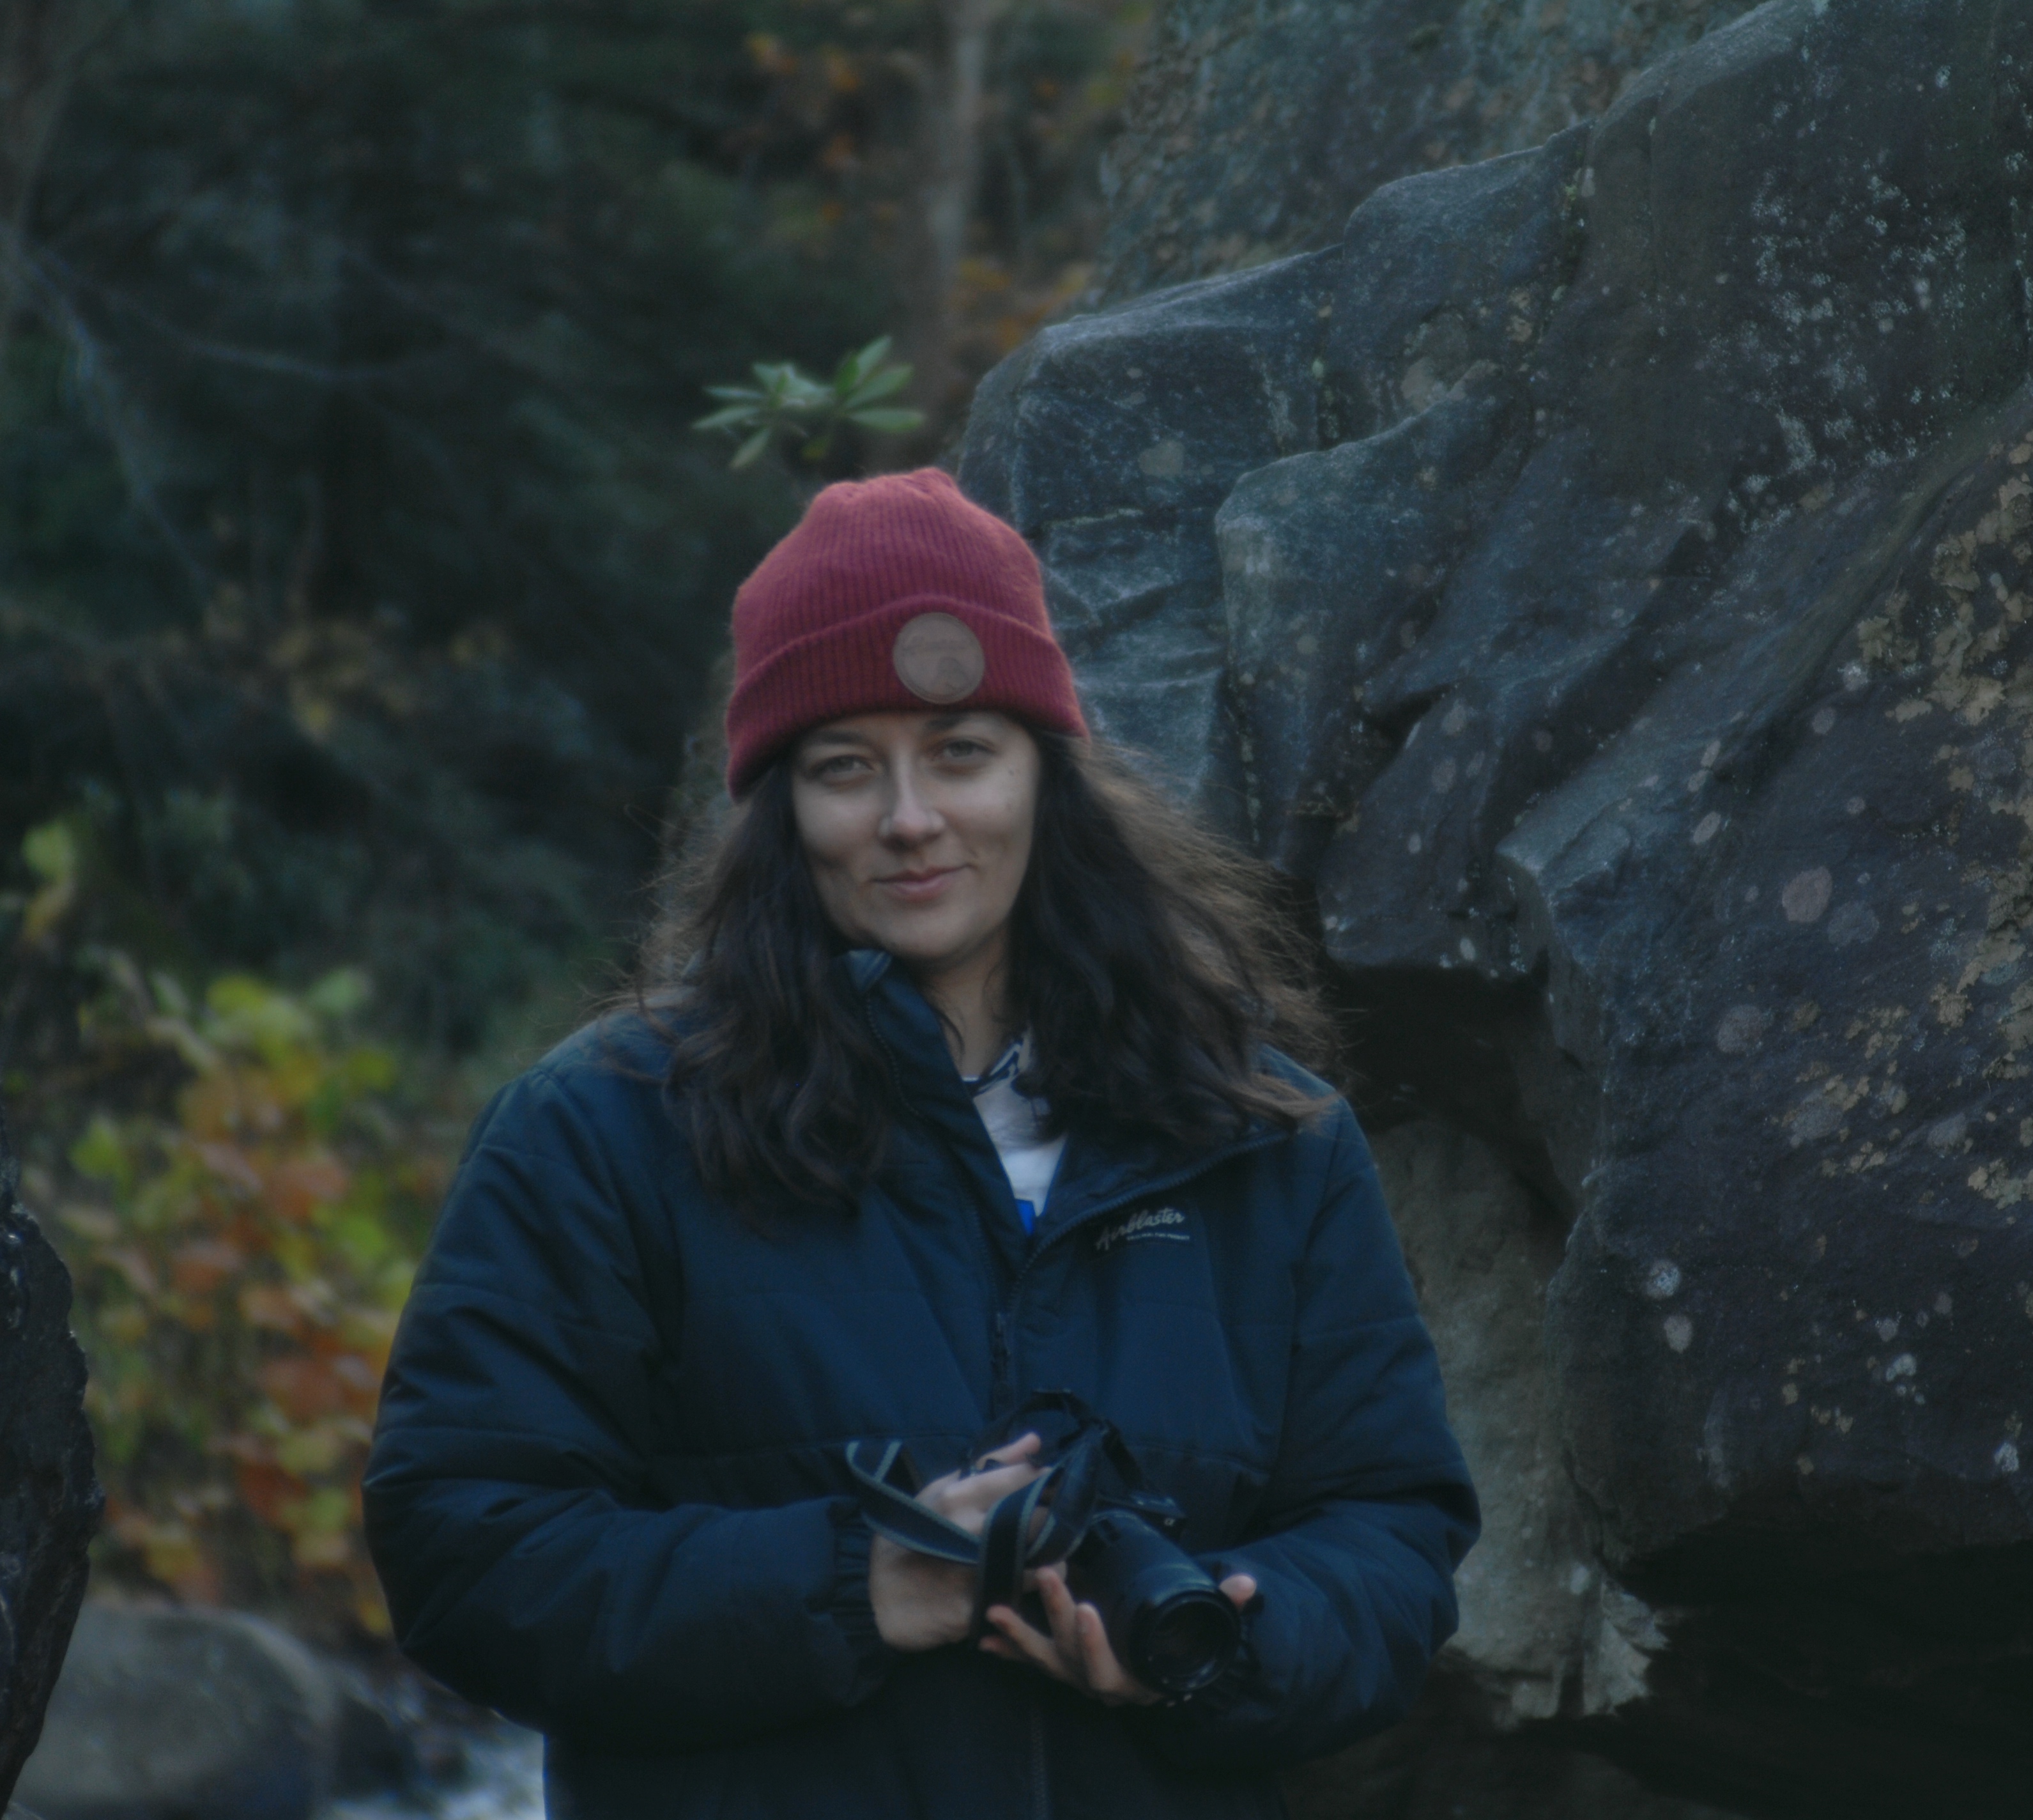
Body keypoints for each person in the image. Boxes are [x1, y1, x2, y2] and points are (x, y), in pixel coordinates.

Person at [362, 470, 1477, 1819]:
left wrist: (1229, 1636)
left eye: (960, 749)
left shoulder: (1258, 1136)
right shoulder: (599, 1130)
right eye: (845, 765)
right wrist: (861, 1580)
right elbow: (465, 1548)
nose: (908, 816)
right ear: (779, 809)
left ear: (1043, 776)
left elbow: (1393, 1534)